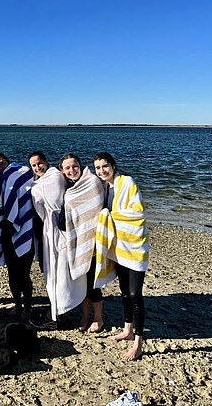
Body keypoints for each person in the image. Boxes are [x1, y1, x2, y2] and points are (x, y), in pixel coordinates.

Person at [93, 152, 149, 361]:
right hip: (118, 248)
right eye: (98, 168)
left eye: (105, 166)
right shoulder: (105, 188)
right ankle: (128, 330)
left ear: (113, 166)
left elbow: (138, 213)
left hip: (134, 247)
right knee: (124, 291)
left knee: (135, 294)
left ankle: (138, 343)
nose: (102, 171)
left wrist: (108, 216)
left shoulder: (127, 183)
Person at [30, 153, 86, 328]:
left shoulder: (54, 177)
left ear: (46, 163)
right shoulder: (45, 179)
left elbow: (50, 201)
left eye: (40, 163)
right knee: (53, 271)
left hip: (59, 231)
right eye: (33, 166)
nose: (37, 167)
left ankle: (55, 316)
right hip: (50, 230)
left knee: (59, 272)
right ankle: (58, 311)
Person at [59, 153, 104, 333]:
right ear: (62, 171)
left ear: (80, 165)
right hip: (76, 240)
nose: (72, 170)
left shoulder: (92, 182)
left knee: (94, 284)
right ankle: (85, 316)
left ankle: (98, 319)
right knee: (81, 282)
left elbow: (96, 208)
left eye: (75, 166)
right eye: (67, 168)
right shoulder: (68, 187)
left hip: (93, 241)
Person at [0, 152, 35, 323]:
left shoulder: (21, 172)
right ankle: (17, 305)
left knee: (24, 272)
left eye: (1, 163)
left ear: (8, 161)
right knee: (12, 273)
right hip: (7, 231)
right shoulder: (0, 181)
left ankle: (28, 307)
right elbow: (0, 202)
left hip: (25, 228)